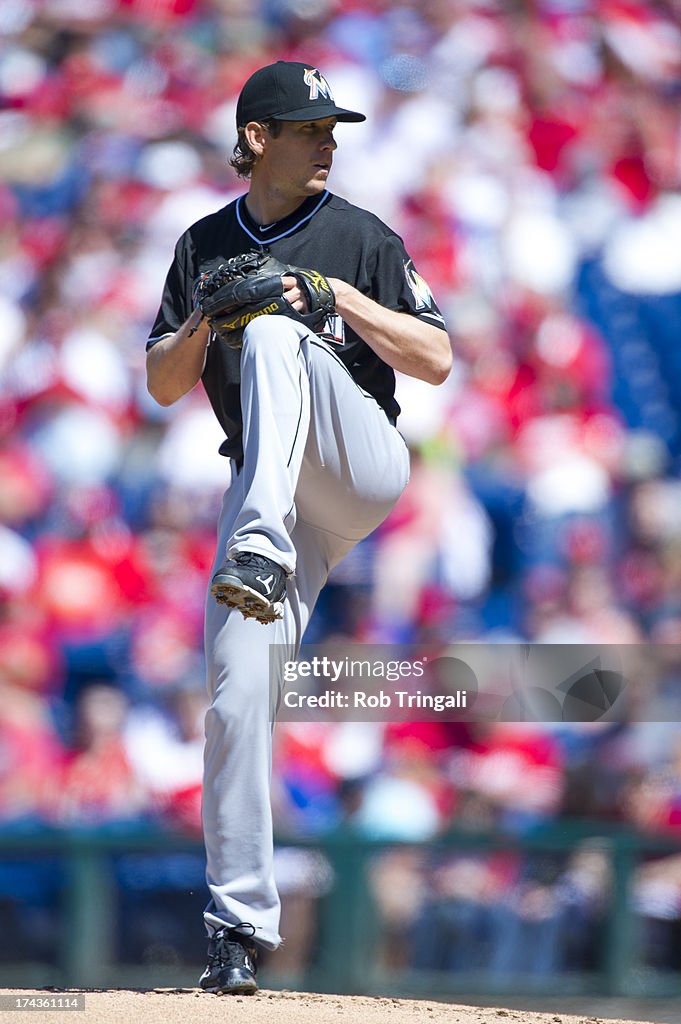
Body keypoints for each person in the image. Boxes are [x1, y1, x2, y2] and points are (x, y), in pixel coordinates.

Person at [146, 59, 452, 996]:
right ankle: (236, 931)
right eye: (309, 127)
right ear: (254, 141)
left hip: (356, 467)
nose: (327, 140)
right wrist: (204, 314)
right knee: (236, 701)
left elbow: (436, 357)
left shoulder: (359, 234)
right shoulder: (202, 243)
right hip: (264, 498)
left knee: (281, 328)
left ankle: (262, 537)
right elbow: (162, 382)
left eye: (332, 128)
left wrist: (333, 298)